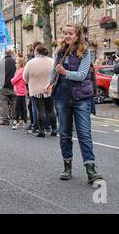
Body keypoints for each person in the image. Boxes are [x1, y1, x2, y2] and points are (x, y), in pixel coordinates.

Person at [48, 24, 103, 184]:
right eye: (65, 33)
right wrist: (49, 83)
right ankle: (67, 166)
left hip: (81, 98)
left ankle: (90, 169)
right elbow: (53, 71)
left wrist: (65, 72)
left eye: (70, 33)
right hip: (62, 97)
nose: (67, 36)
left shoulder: (85, 53)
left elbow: (81, 75)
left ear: (77, 36)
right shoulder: (59, 52)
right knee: (64, 133)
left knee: (84, 134)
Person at [24, 44, 57, 137]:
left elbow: (25, 77)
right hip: (49, 89)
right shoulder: (52, 61)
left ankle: (41, 130)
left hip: (36, 89)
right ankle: (54, 129)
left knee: (40, 110)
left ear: (36, 52)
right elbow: (55, 75)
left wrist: (30, 82)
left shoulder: (30, 63)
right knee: (50, 110)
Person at [0, 49, 17, 126]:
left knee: (3, 103)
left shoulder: (0, 63)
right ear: (11, 54)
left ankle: (5, 119)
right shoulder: (15, 62)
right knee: (14, 103)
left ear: (4, 54)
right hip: (14, 85)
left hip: (2, 86)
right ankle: (15, 119)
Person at [10, 58, 27, 130]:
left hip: (20, 91)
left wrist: (12, 80)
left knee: (17, 107)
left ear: (20, 63)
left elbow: (13, 80)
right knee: (22, 106)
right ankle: (22, 120)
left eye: (17, 63)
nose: (15, 64)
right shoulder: (20, 70)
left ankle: (15, 121)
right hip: (21, 90)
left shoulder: (21, 70)